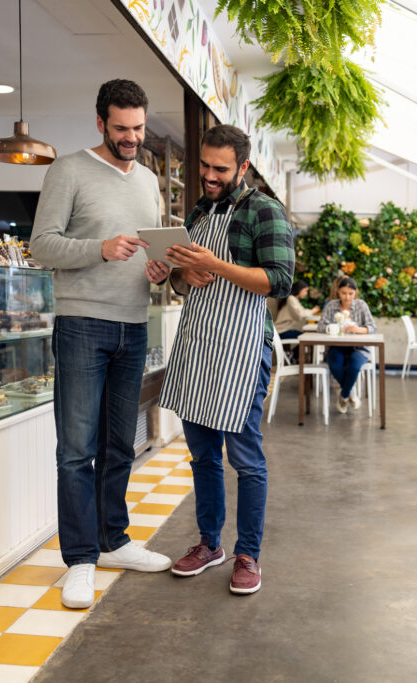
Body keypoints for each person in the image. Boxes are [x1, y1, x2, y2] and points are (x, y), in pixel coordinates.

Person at [29, 79, 173, 610]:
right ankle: (81, 559)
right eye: (121, 129)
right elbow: (42, 245)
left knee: (120, 445)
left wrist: (158, 270)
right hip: (82, 325)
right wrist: (101, 247)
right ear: (100, 124)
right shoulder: (67, 170)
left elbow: (148, 252)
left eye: (138, 129)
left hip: (134, 324)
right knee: (76, 451)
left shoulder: (150, 180)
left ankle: (115, 541)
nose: (131, 138)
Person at [145, 124, 294, 595]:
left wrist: (217, 265)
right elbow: (185, 284)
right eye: (204, 166)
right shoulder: (200, 210)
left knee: (246, 460)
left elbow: (278, 281)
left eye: (220, 169)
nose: (209, 176)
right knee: (203, 457)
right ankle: (210, 544)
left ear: (243, 168)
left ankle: (248, 554)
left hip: (241, 349)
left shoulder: (265, 211)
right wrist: (176, 272)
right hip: (198, 348)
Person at [316, 277, 377, 414]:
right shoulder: (331, 305)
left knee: (354, 365)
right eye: (344, 293)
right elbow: (320, 327)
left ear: (355, 292)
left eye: (350, 293)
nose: (347, 297)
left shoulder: (361, 305)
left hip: (358, 347)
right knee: (335, 365)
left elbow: (372, 327)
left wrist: (358, 329)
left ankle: (343, 396)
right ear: (338, 291)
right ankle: (351, 391)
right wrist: (333, 328)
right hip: (336, 347)